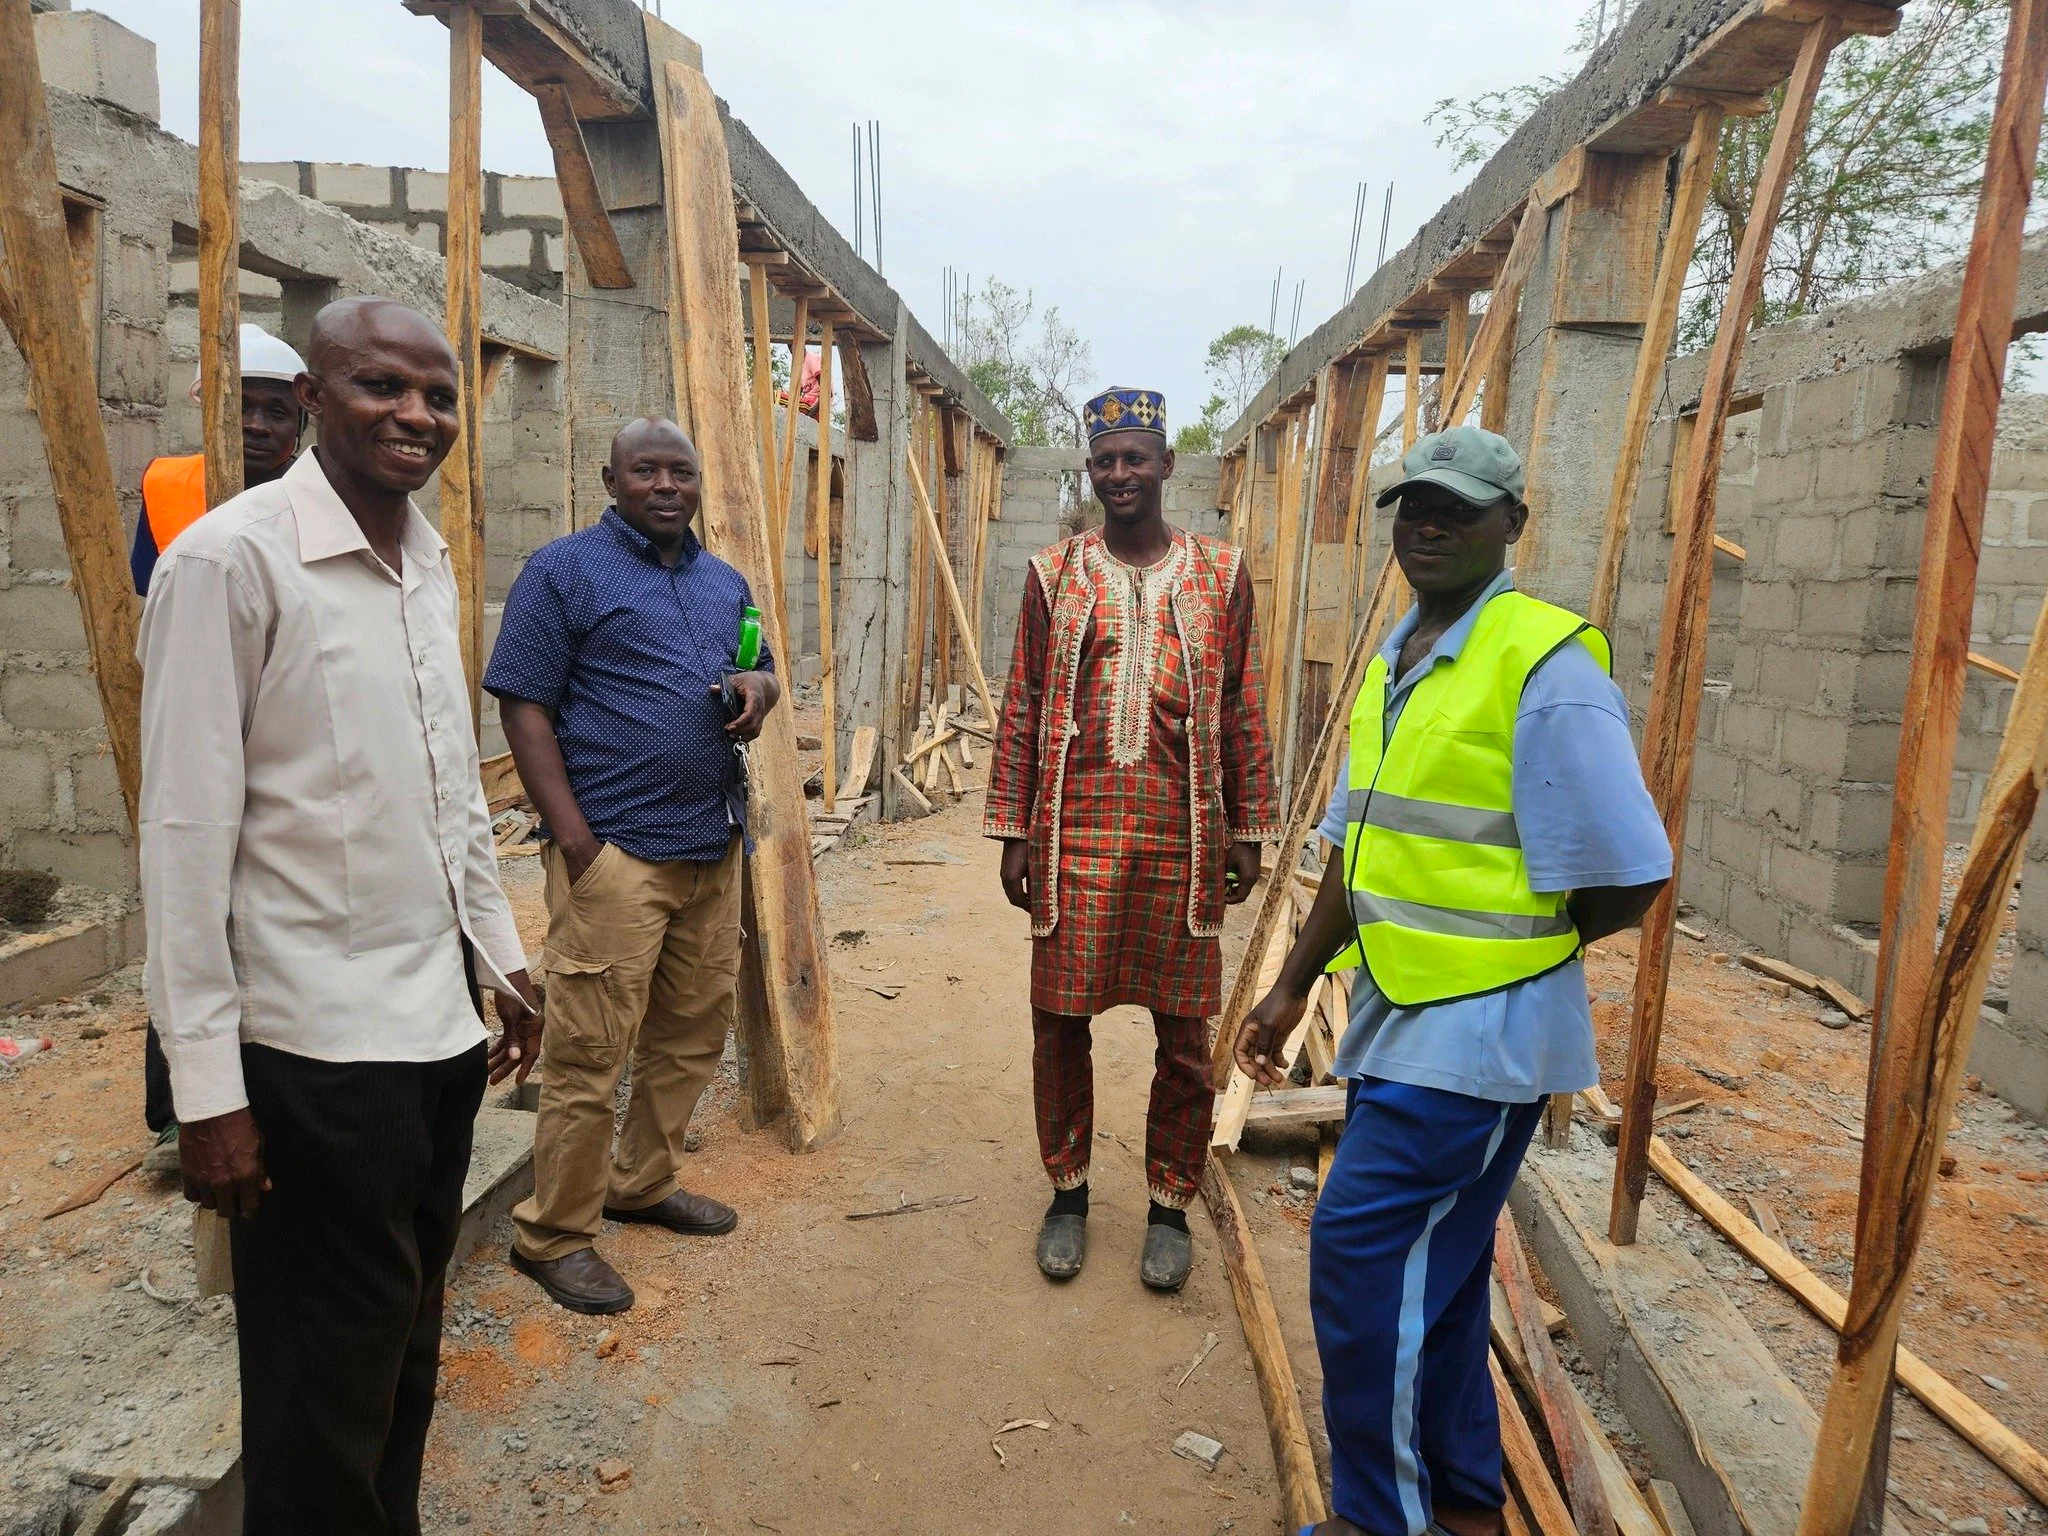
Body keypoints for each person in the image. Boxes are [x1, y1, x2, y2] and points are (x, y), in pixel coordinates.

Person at [138, 296, 543, 1536]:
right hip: (312, 1058)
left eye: (437, 396)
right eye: (381, 387)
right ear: (311, 398)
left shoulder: (425, 557)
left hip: (432, 1043)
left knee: (400, 1360)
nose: (416, 416)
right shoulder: (230, 562)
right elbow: (183, 843)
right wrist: (207, 1092)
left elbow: (448, 792)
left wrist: (504, 955)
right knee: (319, 1394)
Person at [1233, 426, 1671, 1536]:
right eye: (1411, 505)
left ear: (1510, 524)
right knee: (1440, 1268)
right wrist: (1292, 987)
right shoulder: (1403, 654)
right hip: (1394, 1012)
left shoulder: (1543, 664)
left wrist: (1521, 955)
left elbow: (1627, 876)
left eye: (1457, 509)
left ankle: (1379, 1518)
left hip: (1477, 1042)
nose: (1424, 525)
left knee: (1357, 1255)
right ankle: (1469, 1496)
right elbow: (1359, 844)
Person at [485, 415, 781, 1316]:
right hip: (615, 852)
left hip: (709, 843)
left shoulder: (722, 578)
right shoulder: (563, 572)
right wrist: (576, 842)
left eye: (681, 473)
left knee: (691, 1031)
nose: (666, 486)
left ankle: (640, 1182)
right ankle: (554, 1234)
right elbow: (523, 706)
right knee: (587, 1051)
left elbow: (763, 662)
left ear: (698, 485)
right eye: (645, 471)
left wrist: (758, 689)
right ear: (609, 480)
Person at [986, 386, 1278, 1293]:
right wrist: (1014, 831)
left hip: (1181, 838)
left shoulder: (1221, 575)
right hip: (1073, 835)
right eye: (1104, 459)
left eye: (1135, 457)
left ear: (1165, 464)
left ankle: (1167, 1205)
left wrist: (1248, 829)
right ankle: (1068, 1194)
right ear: (1091, 467)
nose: (1119, 474)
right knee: (1058, 1022)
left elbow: (1238, 704)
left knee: (1185, 1033)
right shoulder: (1053, 573)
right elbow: (1026, 702)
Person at [136, 323, 310, 1169]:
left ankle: (265, 1093)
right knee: (187, 905)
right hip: (194, 721)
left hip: (275, 733)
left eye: (274, 411)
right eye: (240, 407)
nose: (256, 427)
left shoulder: (321, 500)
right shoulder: (172, 487)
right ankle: (179, 1112)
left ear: (301, 418)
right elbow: (146, 591)